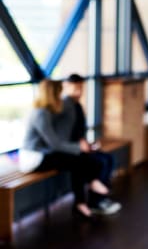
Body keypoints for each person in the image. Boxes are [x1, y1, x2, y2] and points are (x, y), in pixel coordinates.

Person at [20, 79, 113, 219]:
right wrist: (78, 147)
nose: (60, 97)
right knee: (77, 160)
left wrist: (79, 147)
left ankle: (81, 201)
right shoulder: (41, 114)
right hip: (33, 159)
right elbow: (55, 144)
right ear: (52, 94)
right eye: (58, 93)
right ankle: (90, 187)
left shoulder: (46, 111)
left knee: (78, 161)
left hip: (43, 155)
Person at [61, 73, 121, 215]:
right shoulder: (66, 106)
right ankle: (95, 201)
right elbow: (63, 135)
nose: (79, 92)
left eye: (81, 88)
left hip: (79, 147)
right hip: (70, 150)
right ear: (67, 86)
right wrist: (81, 145)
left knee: (108, 158)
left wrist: (88, 144)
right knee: (99, 162)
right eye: (76, 88)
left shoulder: (77, 106)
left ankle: (98, 199)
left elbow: (78, 132)